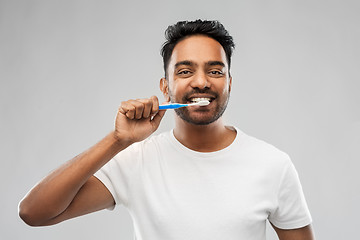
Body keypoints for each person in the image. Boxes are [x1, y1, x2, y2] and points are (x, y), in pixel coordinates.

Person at [19, 20, 315, 240]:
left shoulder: (273, 164)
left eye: (215, 71)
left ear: (229, 82)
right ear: (166, 87)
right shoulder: (137, 160)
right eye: (185, 71)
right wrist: (117, 141)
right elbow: (34, 213)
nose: (201, 82)